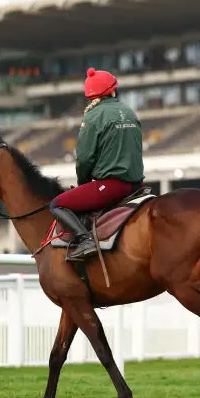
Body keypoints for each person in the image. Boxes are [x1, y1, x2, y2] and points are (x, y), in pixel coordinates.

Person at [49, 68, 145, 262]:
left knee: (57, 204)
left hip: (111, 187)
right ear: (113, 90)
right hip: (138, 186)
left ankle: (85, 241)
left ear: (91, 96)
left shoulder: (92, 117)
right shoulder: (129, 112)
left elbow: (85, 159)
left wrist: (83, 184)